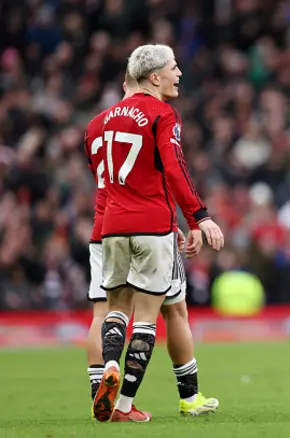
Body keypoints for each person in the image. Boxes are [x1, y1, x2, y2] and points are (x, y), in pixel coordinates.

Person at [92, 44, 224, 423]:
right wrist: (199, 217)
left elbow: (101, 178)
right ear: (154, 77)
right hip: (152, 225)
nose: (179, 73)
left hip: (112, 225)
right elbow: (174, 169)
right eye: (173, 68)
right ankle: (123, 405)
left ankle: (110, 366)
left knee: (116, 310)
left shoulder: (99, 122)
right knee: (149, 319)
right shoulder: (163, 114)